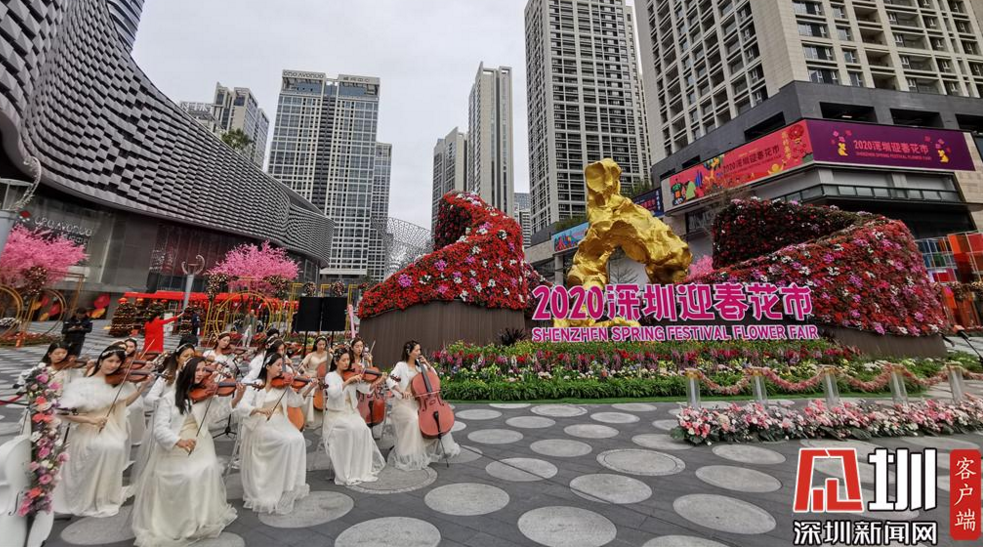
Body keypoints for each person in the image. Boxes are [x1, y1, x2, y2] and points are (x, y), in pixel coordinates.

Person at [132, 357, 243, 546]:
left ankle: (199, 517)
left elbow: (215, 418)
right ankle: (178, 520)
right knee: (186, 475)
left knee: (206, 469)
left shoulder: (206, 394)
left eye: (203, 370)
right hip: (175, 442)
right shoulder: (170, 398)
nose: (201, 374)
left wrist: (237, 398)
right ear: (186, 372)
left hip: (200, 440)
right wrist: (178, 441)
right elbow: (159, 429)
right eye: (197, 370)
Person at [53, 345, 149, 517]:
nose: (113, 365)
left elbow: (123, 404)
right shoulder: (83, 384)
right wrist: (90, 420)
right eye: (110, 361)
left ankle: (102, 495)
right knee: (101, 447)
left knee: (114, 447)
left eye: (117, 362)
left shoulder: (117, 383)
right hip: (88, 428)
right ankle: (84, 494)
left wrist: (142, 388)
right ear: (101, 361)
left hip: (110, 427)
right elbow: (64, 412)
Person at [235, 353, 316, 514]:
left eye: (282, 365)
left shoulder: (282, 384)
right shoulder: (256, 385)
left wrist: (309, 388)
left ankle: (287, 485)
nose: (281, 368)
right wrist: (258, 409)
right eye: (278, 365)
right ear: (267, 367)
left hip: (280, 421)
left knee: (298, 439)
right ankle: (270, 484)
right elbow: (242, 406)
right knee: (285, 442)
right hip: (260, 423)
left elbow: (295, 402)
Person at [387, 340, 460, 470]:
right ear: (409, 352)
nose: (419, 352)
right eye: (416, 350)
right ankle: (410, 452)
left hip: (421, 402)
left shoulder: (420, 366)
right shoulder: (401, 366)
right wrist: (401, 391)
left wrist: (427, 364)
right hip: (405, 403)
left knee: (435, 418)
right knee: (415, 419)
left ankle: (431, 447)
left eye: (420, 349)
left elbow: (434, 378)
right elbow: (390, 379)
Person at [321, 347, 385, 485]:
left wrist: (377, 382)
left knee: (364, 429)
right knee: (350, 429)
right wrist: (347, 382)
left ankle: (359, 468)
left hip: (351, 412)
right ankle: (347, 469)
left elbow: (365, 390)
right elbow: (333, 393)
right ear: (336, 361)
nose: (346, 363)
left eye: (348, 360)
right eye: (343, 360)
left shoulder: (351, 373)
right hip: (336, 415)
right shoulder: (330, 376)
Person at [301, 336, 330, 426]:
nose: (322, 346)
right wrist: (306, 373)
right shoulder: (310, 355)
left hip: (323, 378)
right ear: (316, 345)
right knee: (310, 390)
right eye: (320, 344)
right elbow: (301, 366)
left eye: (323, 345)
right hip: (311, 377)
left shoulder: (329, 355)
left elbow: (332, 366)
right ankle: (308, 417)